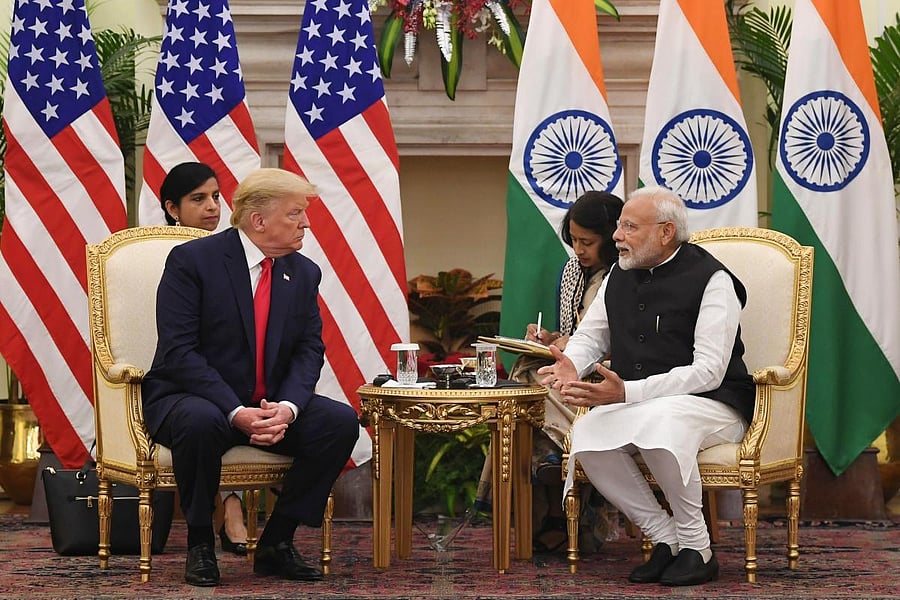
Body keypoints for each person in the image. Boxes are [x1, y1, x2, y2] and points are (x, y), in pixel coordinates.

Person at [142, 168, 359, 587]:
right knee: (201, 421)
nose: (306, 223)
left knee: (338, 422)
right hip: (193, 398)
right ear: (258, 221)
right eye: (295, 214)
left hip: (268, 404)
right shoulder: (193, 262)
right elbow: (180, 351)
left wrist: (289, 408)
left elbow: (309, 349)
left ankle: (278, 541)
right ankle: (201, 545)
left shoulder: (304, 272)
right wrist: (235, 409)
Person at [539, 186, 754, 586]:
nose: (617, 236)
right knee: (588, 432)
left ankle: (698, 548)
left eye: (629, 226)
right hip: (644, 404)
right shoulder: (619, 274)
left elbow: (709, 371)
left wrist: (628, 393)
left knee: (661, 420)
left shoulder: (713, 281)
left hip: (715, 403)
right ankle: (665, 538)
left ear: (666, 232)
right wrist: (572, 362)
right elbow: (591, 335)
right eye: (619, 226)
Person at [159, 161, 249, 556]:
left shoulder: (239, 252)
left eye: (215, 196)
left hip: (225, 373)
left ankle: (234, 507)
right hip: (173, 373)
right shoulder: (157, 254)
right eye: (198, 198)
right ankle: (227, 510)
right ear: (172, 208)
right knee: (203, 414)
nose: (212, 206)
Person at [159, 161, 222, 231]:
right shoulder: (159, 242)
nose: (213, 206)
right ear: (173, 209)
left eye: (216, 197)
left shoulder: (228, 241)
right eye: (199, 199)